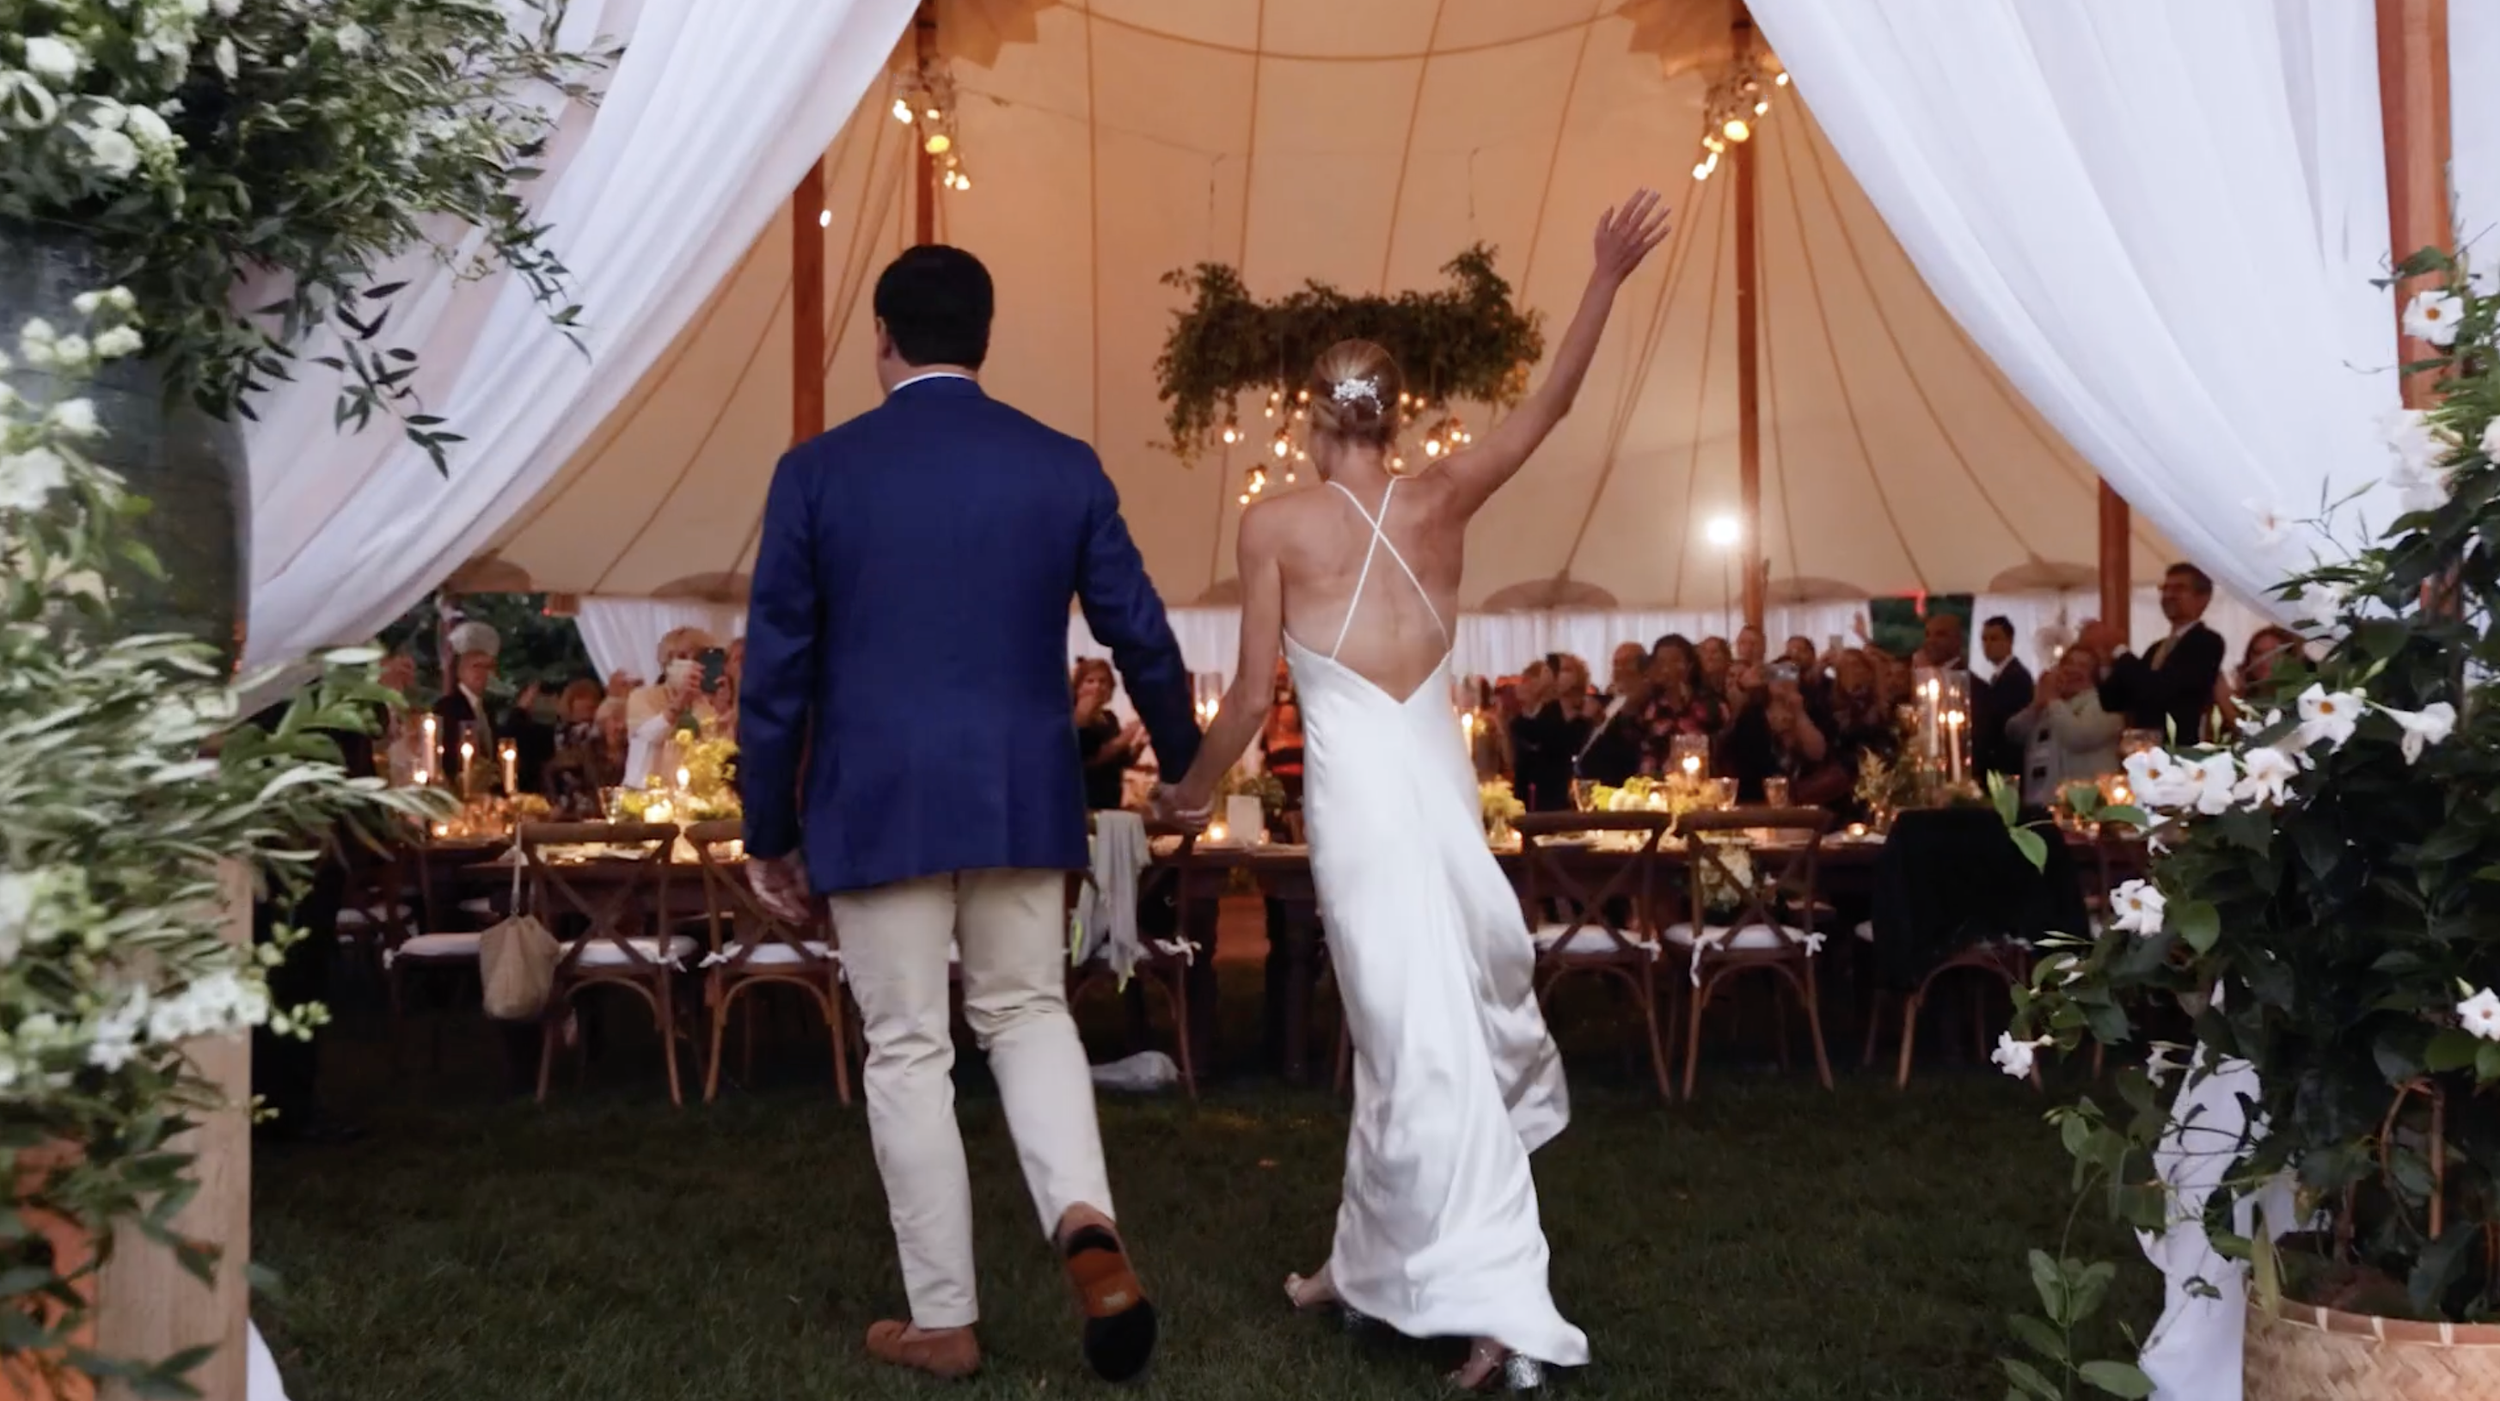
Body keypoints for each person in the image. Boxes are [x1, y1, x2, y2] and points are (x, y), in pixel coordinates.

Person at [1168, 189, 1668, 1390]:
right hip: (1438, 793)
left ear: (1310, 414)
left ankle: (1499, 1305)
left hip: (1364, 808)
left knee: (1418, 1041)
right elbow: (1548, 405)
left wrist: (1189, 796)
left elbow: (1244, 702)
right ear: (1394, 413)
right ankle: (1363, 1262)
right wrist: (1600, 277)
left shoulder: (1274, 521)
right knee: (1402, 1037)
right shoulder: (1446, 494)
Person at [740, 244, 1200, 1385]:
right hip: (1018, 787)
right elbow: (1138, 631)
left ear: (882, 339)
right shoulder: (1062, 467)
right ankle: (1085, 1225)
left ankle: (943, 1316)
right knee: (1028, 1013)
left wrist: (765, 829)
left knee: (907, 1048)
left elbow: (777, 669)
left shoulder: (817, 472)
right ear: (982, 341)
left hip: (876, 792)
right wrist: (1187, 766)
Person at [2089, 564, 2227, 744]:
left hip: (2179, 750)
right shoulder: (2156, 649)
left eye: (2179, 588)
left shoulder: (2207, 643)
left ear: (2203, 598)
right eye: (2165, 588)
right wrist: (2105, 659)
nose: (2168, 595)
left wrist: (2119, 649)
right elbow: (2113, 702)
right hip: (2144, 752)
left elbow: (2161, 690)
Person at [2009, 642, 2121, 807]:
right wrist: (2037, 705)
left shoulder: (2106, 704)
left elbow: (2078, 737)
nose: (2072, 670)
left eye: (2083, 666)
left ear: (2094, 675)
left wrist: (2053, 699)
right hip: (2040, 804)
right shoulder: (2050, 705)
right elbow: (2013, 733)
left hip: (2087, 807)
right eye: (2068, 663)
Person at [1573, 640, 1653, 785]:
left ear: (1643, 667)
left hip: (1615, 784)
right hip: (1582, 780)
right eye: (1616, 664)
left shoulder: (1647, 703)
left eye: (1626, 663)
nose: (1619, 669)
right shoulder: (1606, 701)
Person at [1071, 658, 1144, 811]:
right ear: (1078, 687)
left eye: (1103, 681)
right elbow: (1088, 760)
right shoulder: (1072, 719)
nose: (1097, 686)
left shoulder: (1109, 717)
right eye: (1090, 681)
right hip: (1084, 802)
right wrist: (1122, 739)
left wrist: (1140, 742)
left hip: (1110, 801)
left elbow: (1122, 761)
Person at [1970, 615, 2034, 781]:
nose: (1988, 644)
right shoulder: (2003, 676)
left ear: (2009, 641)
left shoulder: (2016, 677)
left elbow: (2003, 721)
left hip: (2007, 764)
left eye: (1994, 638)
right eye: (1984, 639)